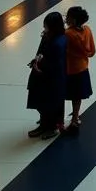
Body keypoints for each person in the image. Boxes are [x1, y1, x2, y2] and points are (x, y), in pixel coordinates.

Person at [26, 11, 67, 139]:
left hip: (52, 77)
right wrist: (36, 61)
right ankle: (44, 124)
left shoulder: (59, 42)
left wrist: (41, 67)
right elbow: (40, 52)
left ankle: (53, 126)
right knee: (42, 101)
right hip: (43, 75)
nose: (45, 28)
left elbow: (55, 62)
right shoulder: (48, 36)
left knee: (52, 102)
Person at [63, 5, 95, 133]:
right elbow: (92, 51)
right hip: (82, 67)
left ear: (74, 20)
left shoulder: (68, 34)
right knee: (78, 96)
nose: (66, 18)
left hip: (70, 69)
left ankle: (64, 120)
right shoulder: (87, 30)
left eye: (68, 17)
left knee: (68, 94)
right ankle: (75, 117)